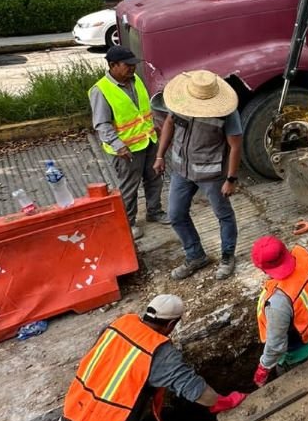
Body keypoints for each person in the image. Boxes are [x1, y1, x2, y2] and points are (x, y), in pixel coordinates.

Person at [51, 294, 246, 421]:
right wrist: (224, 401)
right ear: (171, 324)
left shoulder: (120, 324)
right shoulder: (159, 352)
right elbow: (197, 391)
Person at [153, 70, 243, 282]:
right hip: (181, 170)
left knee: (224, 215)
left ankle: (227, 257)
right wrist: (160, 155)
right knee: (176, 214)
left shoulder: (226, 112)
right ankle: (195, 256)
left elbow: (236, 145)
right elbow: (168, 123)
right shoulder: (181, 102)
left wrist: (231, 179)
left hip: (211, 174)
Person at [89, 45, 165, 240]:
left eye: (133, 64)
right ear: (113, 65)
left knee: (155, 177)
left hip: (148, 140)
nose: (132, 68)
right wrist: (118, 145)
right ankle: (128, 222)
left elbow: (142, 109)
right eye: (128, 65)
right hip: (126, 149)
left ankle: (154, 211)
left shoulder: (135, 79)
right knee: (129, 187)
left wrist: (155, 126)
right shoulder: (101, 90)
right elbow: (102, 124)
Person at [250, 235, 308, 386]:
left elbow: (276, 344)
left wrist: (264, 366)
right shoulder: (304, 256)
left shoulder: (278, 302)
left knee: (299, 387)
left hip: (294, 355)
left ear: (261, 268)